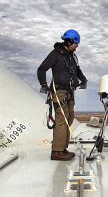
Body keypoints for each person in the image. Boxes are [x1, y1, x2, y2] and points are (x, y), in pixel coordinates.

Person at [37, 29, 87, 161]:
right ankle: (57, 152)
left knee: (69, 119)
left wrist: (84, 80)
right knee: (61, 121)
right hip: (59, 92)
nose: (77, 46)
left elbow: (77, 70)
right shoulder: (55, 54)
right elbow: (41, 69)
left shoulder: (71, 56)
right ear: (69, 41)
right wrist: (43, 85)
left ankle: (62, 148)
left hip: (70, 92)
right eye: (76, 43)